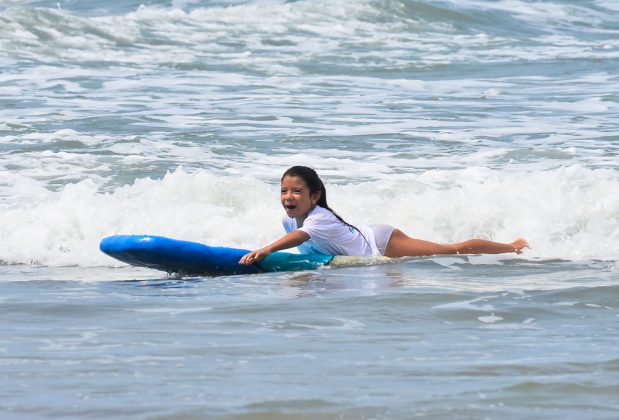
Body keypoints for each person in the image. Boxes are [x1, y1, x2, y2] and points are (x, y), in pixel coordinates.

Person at [239, 166, 528, 265]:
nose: (288, 197)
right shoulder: (289, 219)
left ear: (314, 196)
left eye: (297, 191)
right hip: (365, 246)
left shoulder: (320, 217)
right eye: (284, 191)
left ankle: (512, 246)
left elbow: (300, 238)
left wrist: (266, 250)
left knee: (451, 251)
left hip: (380, 243)